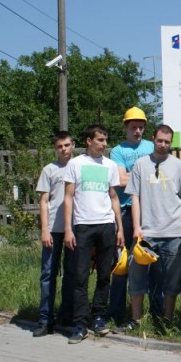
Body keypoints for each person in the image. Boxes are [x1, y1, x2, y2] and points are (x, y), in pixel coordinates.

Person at [118, 124, 181, 332]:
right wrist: (137, 227)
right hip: (146, 233)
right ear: (153, 139)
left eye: (167, 142)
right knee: (137, 276)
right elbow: (135, 197)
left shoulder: (179, 166)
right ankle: (136, 320)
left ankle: (166, 320)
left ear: (171, 143)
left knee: (172, 280)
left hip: (173, 232)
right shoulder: (140, 165)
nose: (163, 145)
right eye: (160, 141)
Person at [63, 125, 124, 344]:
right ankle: (80, 324)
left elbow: (114, 196)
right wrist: (69, 228)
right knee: (80, 277)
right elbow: (68, 197)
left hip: (106, 225)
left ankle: (99, 318)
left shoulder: (110, 165)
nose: (104, 144)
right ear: (89, 141)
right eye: (99, 140)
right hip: (83, 226)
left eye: (105, 140)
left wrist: (120, 228)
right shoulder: (75, 164)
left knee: (104, 275)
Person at [109, 106, 156, 325]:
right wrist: (142, 177)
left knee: (150, 260)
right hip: (126, 211)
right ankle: (117, 313)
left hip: (150, 210)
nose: (138, 131)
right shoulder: (118, 151)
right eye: (133, 127)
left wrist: (132, 176)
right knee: (122, 263)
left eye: (141, 127)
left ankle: (152, 314)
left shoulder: (151, 146)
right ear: (126, 127)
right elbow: (119, 181)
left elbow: (158, 176)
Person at [32, 131, 76, 337]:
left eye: (66, 145)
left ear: (73, 145)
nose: (63, 149)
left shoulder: (80, 167)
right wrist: (44, 230)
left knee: (71, 275)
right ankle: (44, 320)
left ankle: (66, 316)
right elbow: (43, 201)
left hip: (74, 230)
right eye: (59, 146)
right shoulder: (49, 170)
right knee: (48, 275)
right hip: (53, 231)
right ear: (55, 149)